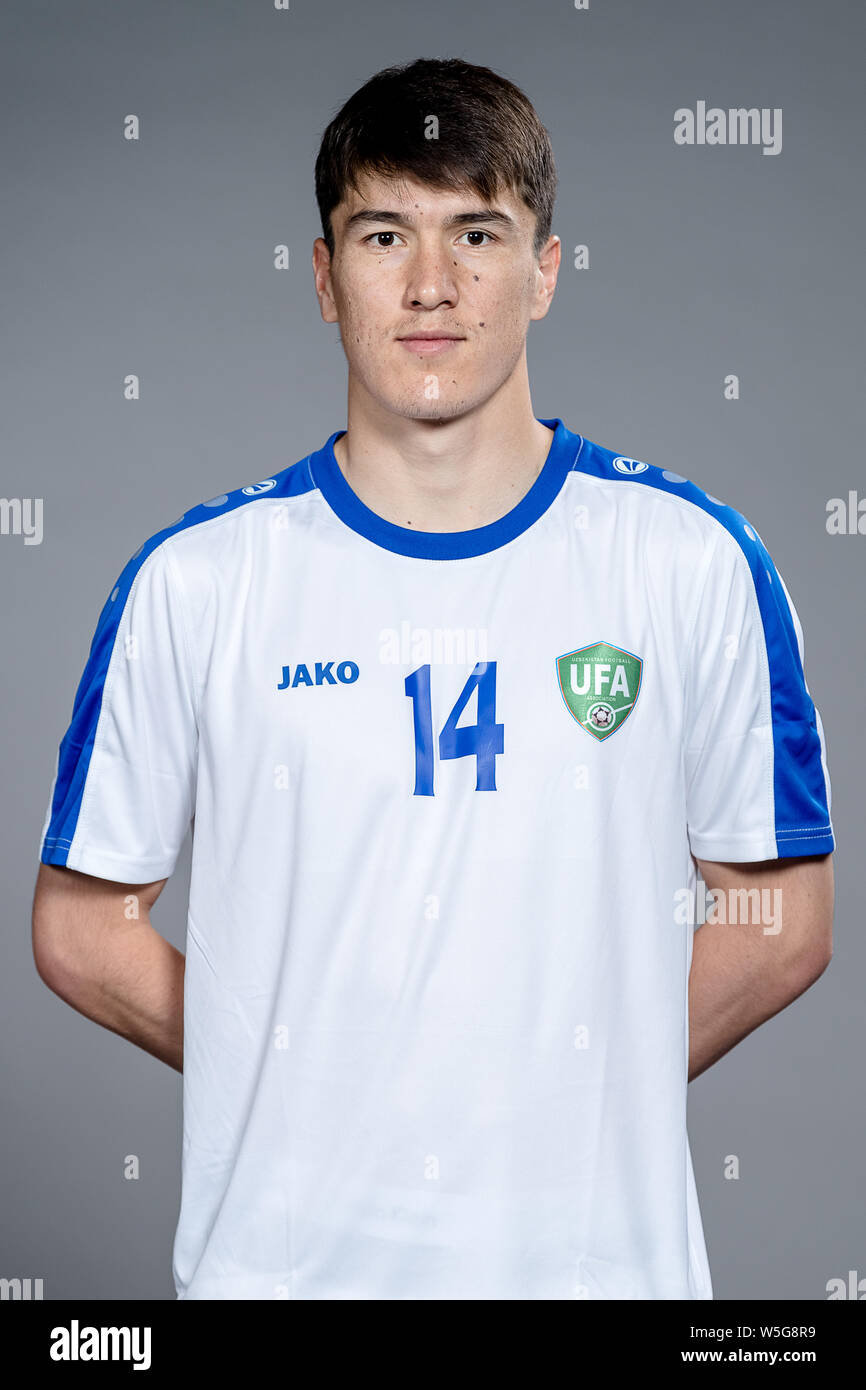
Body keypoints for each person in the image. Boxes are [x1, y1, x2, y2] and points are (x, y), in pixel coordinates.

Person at [32, 56, 835, 1301]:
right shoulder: (196, 582)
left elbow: (776, 917)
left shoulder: (687, 561)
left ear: (547, 270)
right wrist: (292, 1076)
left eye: (476, 232)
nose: (429, 285)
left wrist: (558, 1099)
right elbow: (84, 929)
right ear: (320, 277)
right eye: (381, 232)